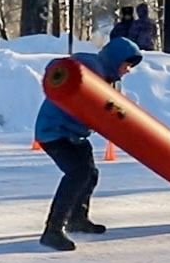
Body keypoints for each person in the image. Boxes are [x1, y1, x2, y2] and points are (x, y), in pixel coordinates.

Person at [34, 35, 143, 251]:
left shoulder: (110, 81)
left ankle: (77, 219)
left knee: (90, 174)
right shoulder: (91, 66)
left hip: (76, 135)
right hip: (55, 132)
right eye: (127, 64)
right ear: (116, 59)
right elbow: (60, 67)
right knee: (78, 173)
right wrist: (61, 73)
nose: (128, 70)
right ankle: (52, 230)